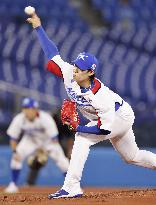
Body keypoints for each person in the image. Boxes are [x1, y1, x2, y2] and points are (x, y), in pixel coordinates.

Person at [26, 11, 156, 199]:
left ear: (89, 73)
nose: (74, 70)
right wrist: (38, 27)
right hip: (112, 117)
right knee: (132, 157)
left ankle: (72, 186)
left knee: (81, 138)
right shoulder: (70, 73)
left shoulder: (99, 97)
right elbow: (52, 53)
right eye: (75, 65)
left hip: (118, 118)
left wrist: (77, 127)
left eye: (79, 69)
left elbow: (104, 129)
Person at [4, 97, 69, 193]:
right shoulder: (19, 118)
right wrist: (15, 151)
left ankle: (73, 186)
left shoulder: (46, 118)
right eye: (25, 108)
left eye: (29, 108)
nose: (27, 111)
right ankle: (13, 184)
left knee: (63, 162)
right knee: (16, 156)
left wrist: (44, 153)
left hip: (48, 142)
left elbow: (54, 139)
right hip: (30, 140)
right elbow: (13, 139)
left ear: (35, 109)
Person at [26, 108, 74, 186]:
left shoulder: (69, 123)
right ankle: (29, 183)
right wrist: (41, 147)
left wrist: (69, 151)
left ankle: (71, 183)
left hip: (58, 142)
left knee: (65, 161)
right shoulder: (50, 118)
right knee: (37, 160)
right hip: (44, 140)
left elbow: (69, 138)